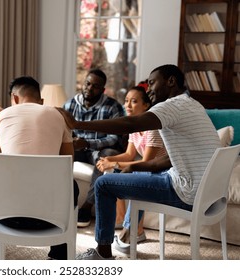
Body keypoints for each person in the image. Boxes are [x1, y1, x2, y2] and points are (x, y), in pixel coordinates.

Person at [57, 64, 221, 260]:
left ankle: (103, 254)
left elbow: (130, 123)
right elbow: (168, 159)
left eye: (152, 83)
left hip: (188, 191)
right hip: (209, 195)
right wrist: (132, 167)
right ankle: (132, 231)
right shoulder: (193, 105)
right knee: (135, 177)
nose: (148, 89)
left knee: (103, 184)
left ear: (170, 81)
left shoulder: (172, 106)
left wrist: (77, 124)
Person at [0, 76, 78, 260]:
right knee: (71, 184)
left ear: (14, 99)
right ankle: (58, 255)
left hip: (6, 218)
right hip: (50, 220)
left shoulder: (1, 117)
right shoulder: (58, 115)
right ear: (41, 101)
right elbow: (68, 163)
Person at [95, 85, 167, 253]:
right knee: (111, 175)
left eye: (134, 102)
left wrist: (114, 164)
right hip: (147, 168)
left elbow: (147, 162)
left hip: (160, 171)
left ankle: (131, 231)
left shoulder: (153, 128)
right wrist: (109, 159)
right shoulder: (134, 127)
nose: (128, 105)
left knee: (136, 173)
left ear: (146, 105)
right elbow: (128, 154)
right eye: (126, 101)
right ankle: (122, 221)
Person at [63, 68, 125, 227]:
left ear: (102, 89)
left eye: (95, 86)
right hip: (77, 148)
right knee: (58, 154)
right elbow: (62, 130)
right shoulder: (70, 104)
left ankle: (86, 207)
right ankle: (63, 204)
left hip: (99, 149)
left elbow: (115, 137)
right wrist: (72, 142)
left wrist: (88, 143)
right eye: (87, 83)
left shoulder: (112, 107)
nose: (89, 88)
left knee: (108, 155)